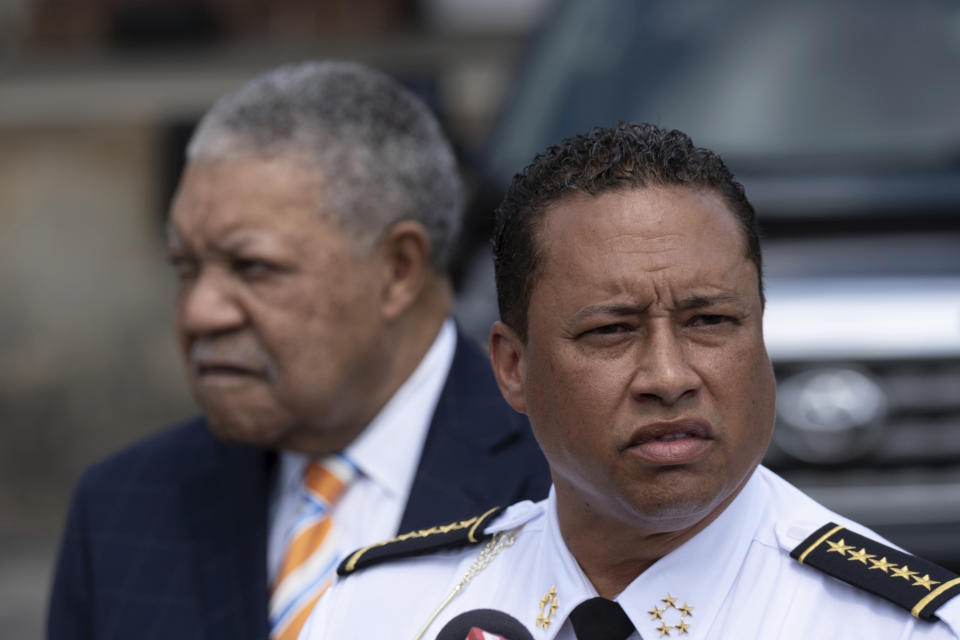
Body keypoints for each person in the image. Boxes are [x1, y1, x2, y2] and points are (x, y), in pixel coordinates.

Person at [300, 122, 960, 639]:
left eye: (711, 321)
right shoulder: (383, 612)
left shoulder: (896, 627)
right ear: (512, 368)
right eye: (611, 331)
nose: (669, 377)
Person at [46, 61, 550, 640]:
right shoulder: (121, 511)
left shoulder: (568, 484)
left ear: (398, 269)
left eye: (253, 268)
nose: (198, 312)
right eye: (185, 267)